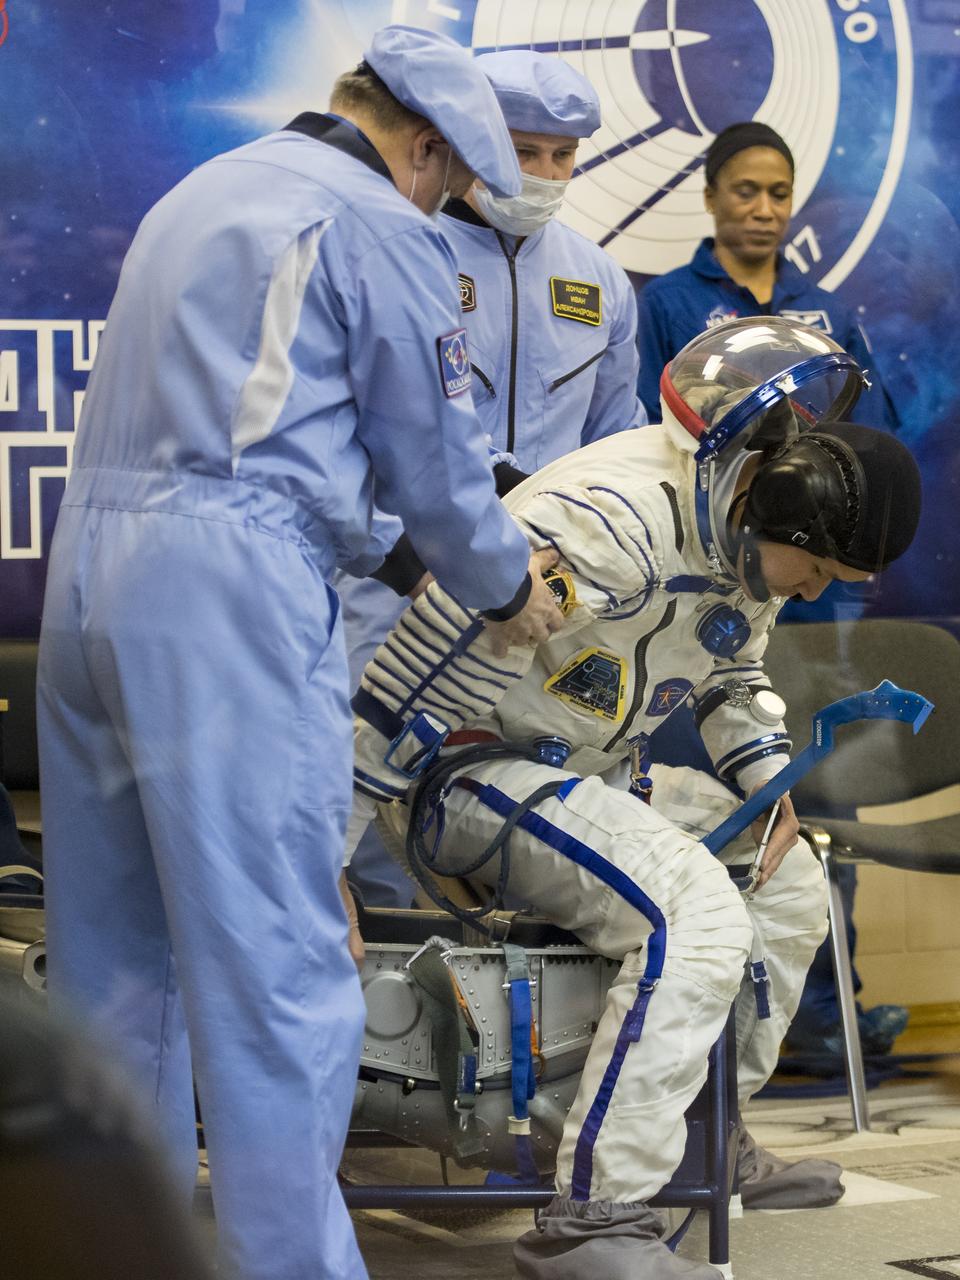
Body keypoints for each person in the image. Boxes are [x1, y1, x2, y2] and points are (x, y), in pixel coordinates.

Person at [35, 24, 565, 1280]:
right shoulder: (378, 222)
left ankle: (123, 1252)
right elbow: (435, 467)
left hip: (90, 583)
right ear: (423, 145)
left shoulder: (199, 191)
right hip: (229, 594)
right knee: (277, 965)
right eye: (450, 180)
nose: (441, 201)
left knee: (115, 968)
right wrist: (507, 586)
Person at [347, 317, 922, 1279]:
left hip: (591, 775)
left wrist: (763, 784)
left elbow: (732, 670)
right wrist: (328, 858)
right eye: (817, 570)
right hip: (468, 778)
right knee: (690, 913)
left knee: (789, 887)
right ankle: (595, 1219)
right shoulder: (602, 526)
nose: (816, 590)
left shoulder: (749, 524)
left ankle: (709, 1135)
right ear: (771, 514)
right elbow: (402, 698)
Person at [342, 48, 647, 906]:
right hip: (400, 590)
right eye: (523, 150)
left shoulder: (602, 281)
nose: (544, 173)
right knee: (378, 837)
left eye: (563, 155)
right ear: (471, 142)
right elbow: (373, 439)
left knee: (542, 844)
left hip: (547, 612)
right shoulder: (405, 250)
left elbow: (620, 448)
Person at [636, 121, 895, 430]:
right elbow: (647, 429)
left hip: (814, 477)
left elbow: (870, 433)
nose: (764, 210)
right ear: (709, 197)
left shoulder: (831, 313)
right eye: (746, 193)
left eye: (779, 194)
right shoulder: (666, 303)